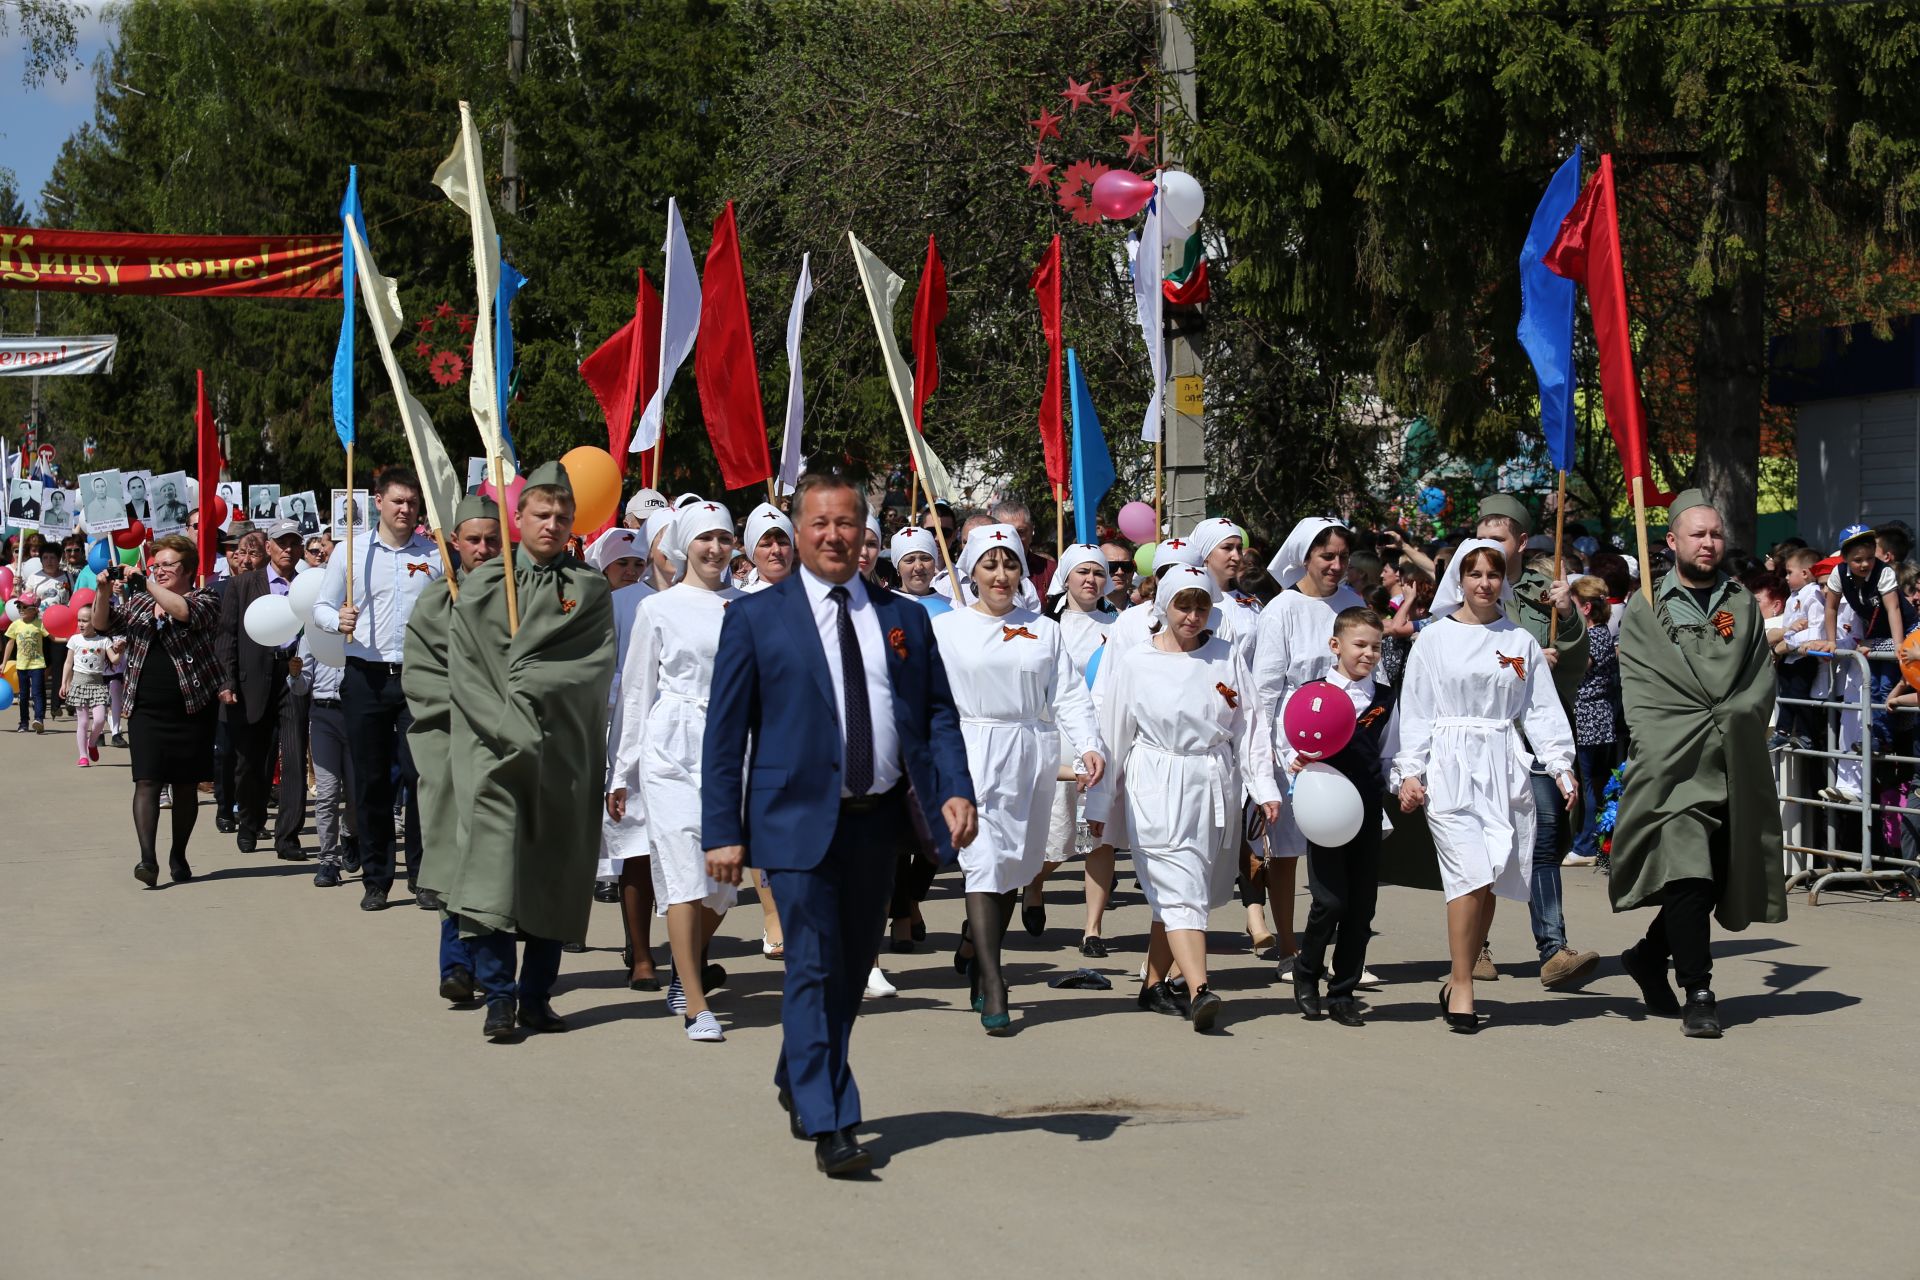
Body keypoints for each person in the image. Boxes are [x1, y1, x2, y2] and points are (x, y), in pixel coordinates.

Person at [702, 469, 976, 1178]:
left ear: (865, 535)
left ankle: (801, 1072)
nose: (833, 535)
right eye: (819, 523)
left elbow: (936, 714)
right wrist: (720, 830)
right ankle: (833, 1120)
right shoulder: (756, 617)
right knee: (813, 964)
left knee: (851, 971)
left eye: (847, 523)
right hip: (791, 820)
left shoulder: (903, 617)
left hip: (875, 821)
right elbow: (725, 737)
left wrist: (954, 789)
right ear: (796, 531)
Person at [445, 462, 616, 1040]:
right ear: (517, 518)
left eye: (563, 516)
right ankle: (498, 995)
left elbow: (591, 669)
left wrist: (528, 681)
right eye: (541, 514)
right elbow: (466, 671)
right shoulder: (485, 584)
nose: (552, 524)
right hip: (494, 751)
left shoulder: (589, 590)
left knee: (552, 872)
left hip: (562, 752)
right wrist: (505, 715)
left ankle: (537, 995)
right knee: (494, 871)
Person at [1612, 493, 1788, 1038]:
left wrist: (1735, 713)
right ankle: (1700, 989)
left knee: (1714, 875)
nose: (1708, 543)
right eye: (1697, 535)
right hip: (1675, 757)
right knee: (1688, 867)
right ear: (1671, 542)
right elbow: (1642, 689)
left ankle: (1647, 955)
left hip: (1732, 754)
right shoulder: (1647, 603)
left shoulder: (1739, 600)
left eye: (1715, 534)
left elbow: (1760, 674)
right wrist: (1664, 738)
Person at [1392, 540, 1577, 1032]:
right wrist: (1411, 770)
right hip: (1450, 764)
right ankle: (1463, 983)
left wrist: (1560, 765)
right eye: (1473, 573)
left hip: (1503, 765)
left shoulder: (1518, 642)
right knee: (1468, 873)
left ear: (1503, 580)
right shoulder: (1433, 640)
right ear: (1459, 578)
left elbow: (1539, 709)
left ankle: (1459, 977)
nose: (1483, 583)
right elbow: (1416, 709)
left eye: (1493, 574)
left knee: (1492, 869)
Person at [1087, 565, 1280, 1032]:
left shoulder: (1227, 656)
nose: (1193, 616)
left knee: (1187, 888)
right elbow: (1113, 734)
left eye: (1201, 606)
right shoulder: (1135, 661)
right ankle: (1199, 988)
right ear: (1164, 607)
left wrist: (1263, 786)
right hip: (1155, 782)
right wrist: (1098, 806)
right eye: (1183, 605)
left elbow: (1250, 727)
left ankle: (1153, 984)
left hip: (1213, 781)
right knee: (1179, 886)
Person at [934, 523, 1103, 1034]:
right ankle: (993, 979)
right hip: (973, 752)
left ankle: (976, 947)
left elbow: (1069, 693)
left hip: (1030, 752)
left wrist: (1091, 744)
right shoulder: (947, 628)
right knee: (983, 862)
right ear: (973, 572)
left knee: (1013, 866)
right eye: (991, 565)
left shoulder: (1045, 629)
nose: (1002, 575)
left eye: (1010, 564)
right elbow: (926, 696)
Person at [609, 502, 743, 1041]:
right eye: (705, 539)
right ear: (684, 546)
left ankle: (682, 963)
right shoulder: (657, 610)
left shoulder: (751, 606)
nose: (715, 548)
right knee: (686, 874)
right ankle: (694, 1001)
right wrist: (622, 772)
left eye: (724, 539)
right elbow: (638, 694)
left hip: (732, 751)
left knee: (723, 887)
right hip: (672, 749)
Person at [1472, 494, 1600, 990]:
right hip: (1483, 741)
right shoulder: (1468, 594)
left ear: (1522, 543)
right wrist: (1522, 664)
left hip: (1534, 738)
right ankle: (1475, 946)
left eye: (1498, 540)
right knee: (1484, 843)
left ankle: (1553, 949)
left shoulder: (1541, 596)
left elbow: (1574, 666)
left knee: (1546, 837)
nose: (1488, 552)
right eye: (1481, 540)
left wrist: (1566, 619)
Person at [312, 467, 441, 910]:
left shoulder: (435, 554)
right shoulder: (351, 553)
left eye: (412, 502)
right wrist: (338, 620)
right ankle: (376, 878)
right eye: (398, 501)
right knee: (369, 782)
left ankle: (424, 875)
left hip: (419, 679)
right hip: (365, 677)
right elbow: (322, 607)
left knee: (419, 776)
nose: (405, 509)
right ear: (379, 502)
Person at [1251, 517, 1365, 975]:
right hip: (1293, 738)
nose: (1336, 565)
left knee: (1341, 846)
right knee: (1289, 848)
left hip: (1345, 735)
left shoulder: (1352, 602)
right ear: (1305, 557)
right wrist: (1275, 753)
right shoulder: (1282, 610)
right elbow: (1265, 690)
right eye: (1327, 556)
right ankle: (1288, 947)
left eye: (1342, 557)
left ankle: (1340, 954)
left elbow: (1365, 668)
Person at [402, 495, 501, 1001]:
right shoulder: (434, 601)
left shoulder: (519, 598)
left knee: (494, 857)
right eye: (474, 539)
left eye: (492, 539)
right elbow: (420, 678)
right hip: (448, 744)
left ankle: (490, 965)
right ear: (454, 542)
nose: (483, 549)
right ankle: (455, 964)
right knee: (452, 853)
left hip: (504, 748)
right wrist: (469, 706)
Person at [1288, 607, 1398, 1027]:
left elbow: (1390, 753)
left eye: (1376, 646)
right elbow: (1291, 742)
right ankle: (1306, 972)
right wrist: (1293, 764)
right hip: (1326, 809)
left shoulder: (1385, 698)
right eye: (1360, 645)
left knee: (1361, 906)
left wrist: (1403, 783)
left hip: (1367, 808)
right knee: (1330, 900)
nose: (1369, 653)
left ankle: (1343, 991)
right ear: (1336, 646)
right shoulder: (1313, 693)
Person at [94, 537, 225, 886]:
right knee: (147, 780)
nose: (161, 570)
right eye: (157, 565)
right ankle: (147, 859)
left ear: (188, 570)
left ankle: (178, 853)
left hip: (192, 709)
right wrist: (104, 592)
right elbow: (101, 624)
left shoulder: (205, 598)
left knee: (184, 786)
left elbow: (184, 613)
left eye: (169, 566)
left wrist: (145, 582)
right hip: (145, 709)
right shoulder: (138, 603)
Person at [1032, 542, 1117, 955]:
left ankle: (1092, 929)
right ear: (1065, 578)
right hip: (1061, 739)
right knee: (1059, 836)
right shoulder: (1047, 626)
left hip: (1105, 740)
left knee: (1099, 836)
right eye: (1082, 572)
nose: (1091, 580)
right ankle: (1034, 882)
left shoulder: (1122, 625)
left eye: (1098, 572)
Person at [586, 526, 661, 983]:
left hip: (663, 726)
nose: (632, 572)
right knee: (621, 825)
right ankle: (632, 940)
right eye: (622, 565)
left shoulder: (654, 601)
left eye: (638, 563)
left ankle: (648, 943)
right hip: (616, 722)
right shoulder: (606, 607)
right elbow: (604, 665)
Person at [215, 521, 309, 860]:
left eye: (293, 544)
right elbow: (226, 637)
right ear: (268, 546)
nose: (287, 549)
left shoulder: (310, 585)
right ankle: (249, 822)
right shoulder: (242, 585)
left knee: (294, 754)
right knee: (251, 760)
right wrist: (226, 681)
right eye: (281, 543)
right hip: (252, 677)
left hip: (294, 674)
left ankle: (288, 837)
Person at [1567, 576, 1620, 867]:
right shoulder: (1597, 635)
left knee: (1591, 786)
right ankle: (1588, 842)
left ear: (1586, 608)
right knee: (1590, 784)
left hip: (1593, 719)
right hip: (1590, 718)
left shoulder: (1596, 636)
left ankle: (1587, 845)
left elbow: (1577, 667)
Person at [60, 602, 123, 766]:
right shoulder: (74, 640)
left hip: (97, 684)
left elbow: (115, 661)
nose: (81, 624)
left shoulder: (103, 641)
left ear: (94, 621)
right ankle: (83, 756)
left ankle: (92, 743)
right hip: (79, 684)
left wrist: (121, 651)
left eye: (85, 620)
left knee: (100, 720)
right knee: (82, 722)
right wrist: (64, 683)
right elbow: (68, 663)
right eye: (79, 620)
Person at [4, 595, 51, 732]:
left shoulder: (40, 624)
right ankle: (23, 722)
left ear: (34, 609)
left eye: (24, 607)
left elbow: (53, 637)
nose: (20, 609)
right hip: (21, 666)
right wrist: (3, 662)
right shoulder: (15, 625)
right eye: (19, 606)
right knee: (23, 696)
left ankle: (39, 719)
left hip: (37, 664)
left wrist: (69, 638)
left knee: (37, 693)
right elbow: (10, 644)